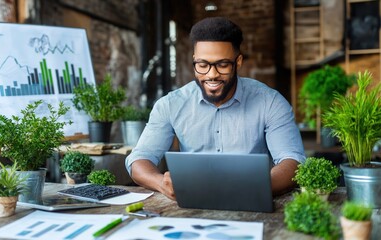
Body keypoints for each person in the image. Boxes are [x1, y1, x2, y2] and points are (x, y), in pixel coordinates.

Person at [125, 17, 306, 200]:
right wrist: (161, 183)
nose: (212, 75)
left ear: (238, 62)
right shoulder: (170, 104)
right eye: (202, 65)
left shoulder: (271, 102)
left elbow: (293, 162)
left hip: (252, 202)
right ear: (194, 61)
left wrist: (249, 188)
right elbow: (138, 159)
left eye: (222, 65)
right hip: (191, 204)